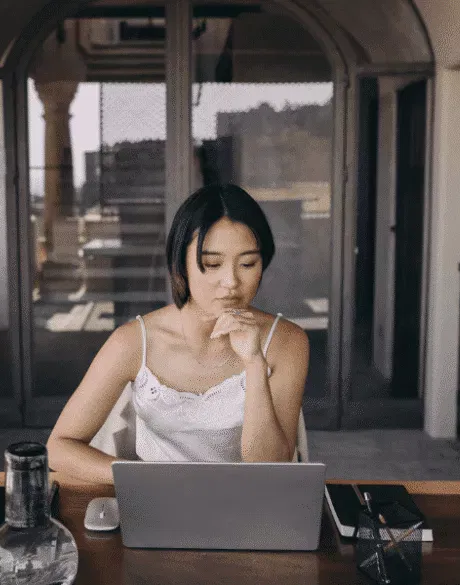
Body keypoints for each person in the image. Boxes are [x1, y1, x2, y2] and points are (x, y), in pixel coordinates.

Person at [46, 184, 310, 484]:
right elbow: (58, 448)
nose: (231, 281)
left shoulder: (287, 342)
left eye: (248, 263)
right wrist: (146, 478)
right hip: (155, 499)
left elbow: (270, 470)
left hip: (247, 504)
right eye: (212, 264)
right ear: (180, 264)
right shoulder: (133, 341)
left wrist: (254, 364)